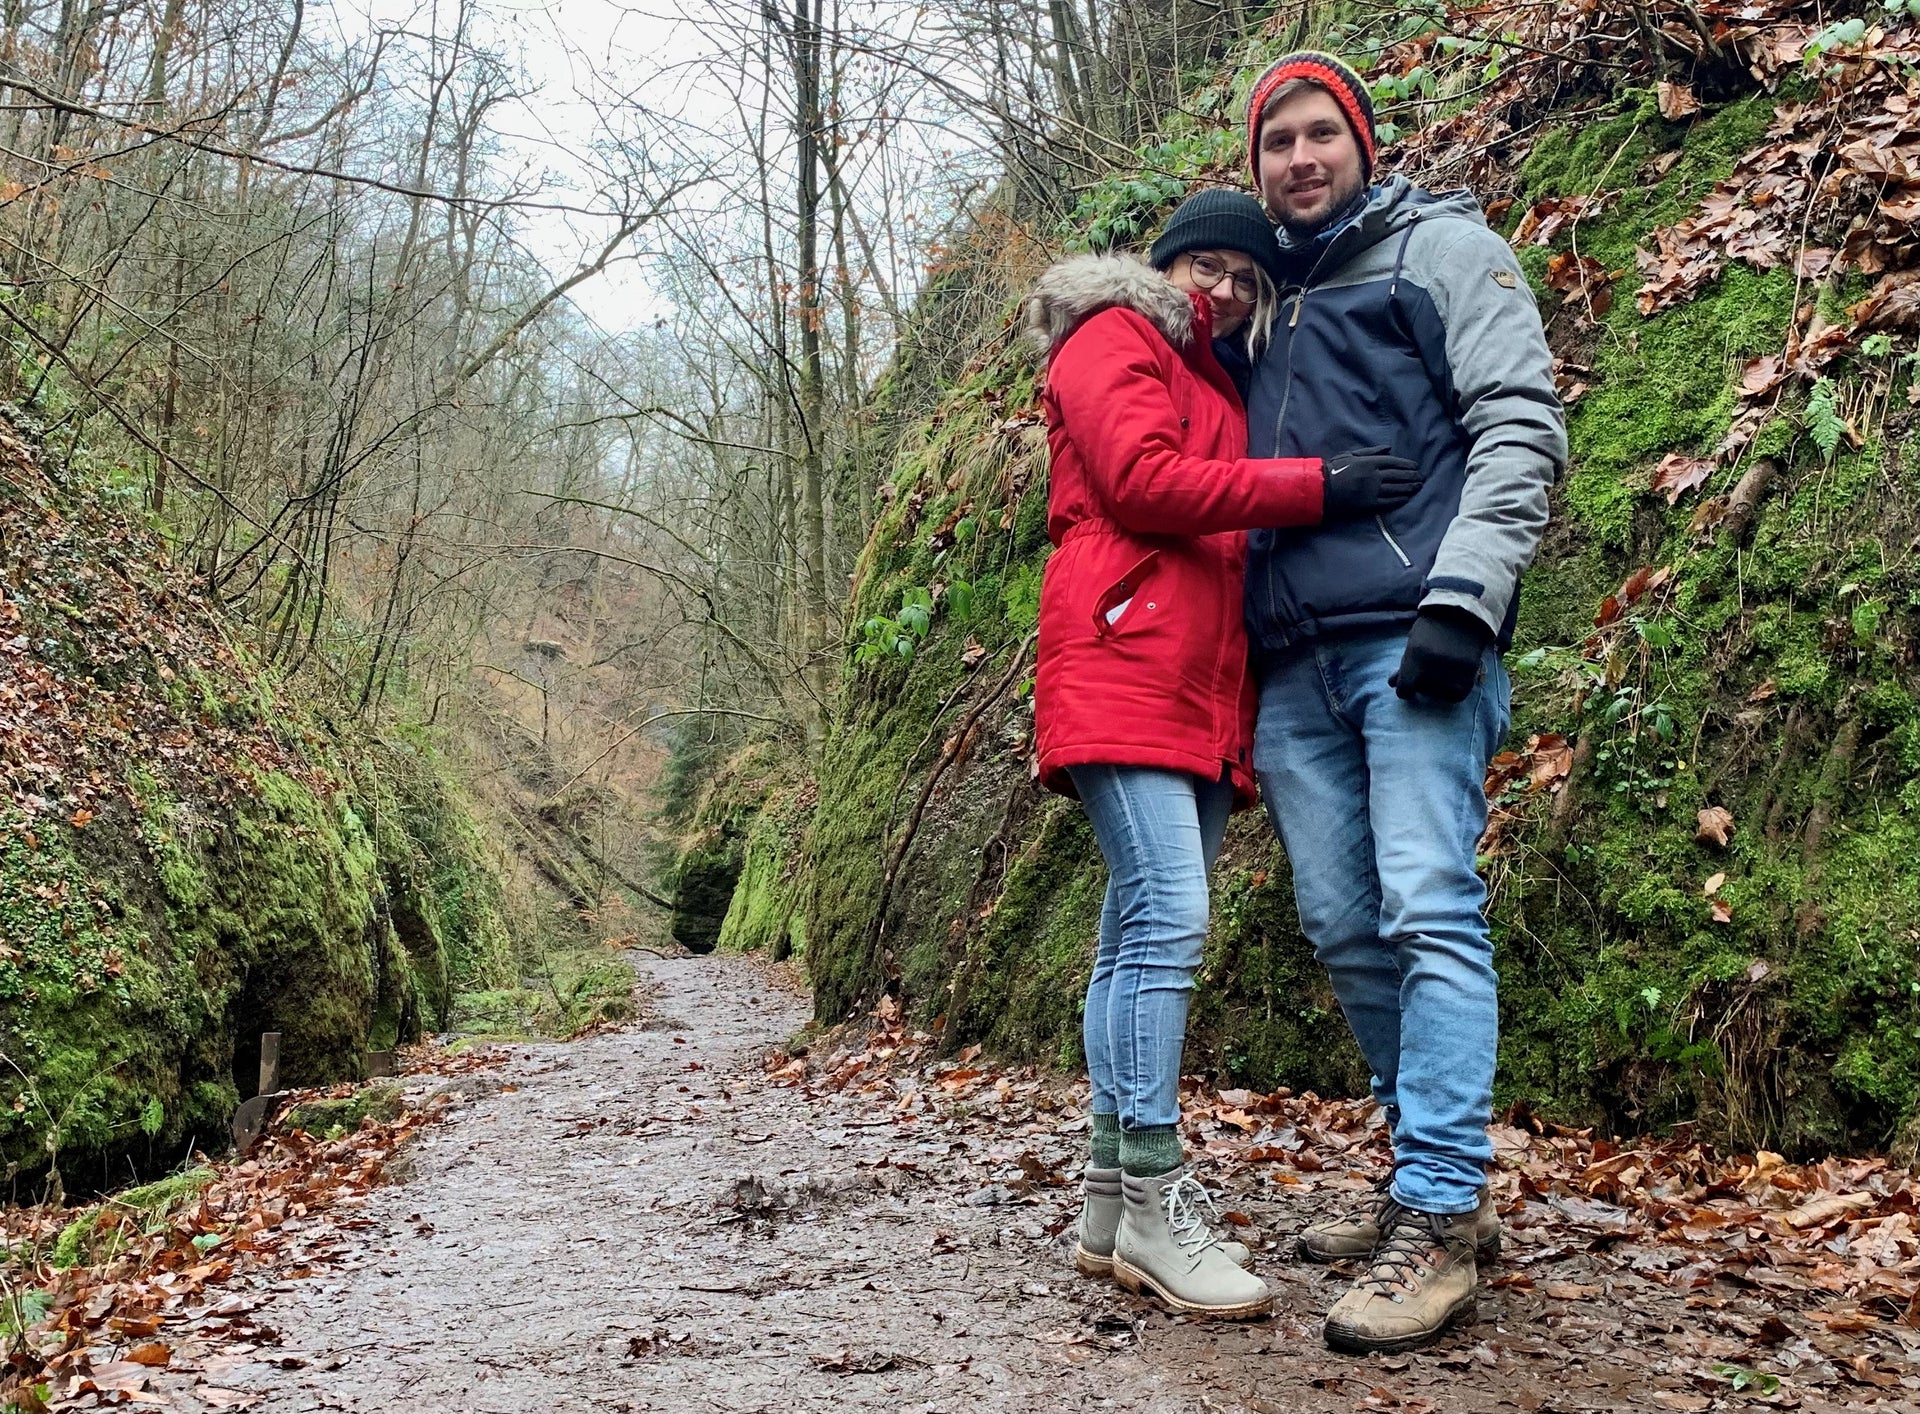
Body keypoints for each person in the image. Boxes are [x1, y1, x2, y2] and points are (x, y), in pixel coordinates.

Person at [1022, 187, 1422, 1321]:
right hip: (1124, 657)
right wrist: (1319, 488)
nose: (1231, 289)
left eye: (1250, 278)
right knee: (1168, 923)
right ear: (1167, 267)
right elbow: (1145, 486)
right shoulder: (1115, 335)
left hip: (1190, 680)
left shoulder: (1215, 376)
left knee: (1129, 930)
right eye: (1210, 266)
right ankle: (1153, 1193)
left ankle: (1108, 1196)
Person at [1237, 52, 1568, 1353]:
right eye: (1280, 142)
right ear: (1256, 165)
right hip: (1293, 661)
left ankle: (1439, 1211)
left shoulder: (1442, 249)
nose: (1303, 157)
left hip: (1417, 641)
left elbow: (1521, 420)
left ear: (1363, 145)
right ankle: (1427, 1176)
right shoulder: (1260, 295)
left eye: (1323, 133)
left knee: (1428, 898)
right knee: (1342, 920)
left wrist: (1464, 598)